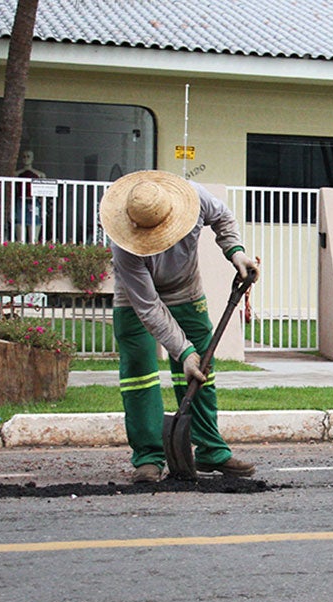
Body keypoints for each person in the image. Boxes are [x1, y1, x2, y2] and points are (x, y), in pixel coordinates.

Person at [99, 170, 261, 483]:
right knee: (139, 374)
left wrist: (236, 253)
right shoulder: (123, 247)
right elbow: (148, 307)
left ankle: (211, 450)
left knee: (202, 367)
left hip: (185, 289)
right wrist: (182, 350)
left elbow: (224, 218)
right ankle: (148, 457)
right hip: (134, 300)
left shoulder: (195, 197)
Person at [14, 149, 46, 241]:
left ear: (32, 159)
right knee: (20, 229)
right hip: (21, 201)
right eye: (24, 156)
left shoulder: (39, 175)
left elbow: (43, 193)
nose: (26, 159)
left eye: (28, 156)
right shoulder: (16, 174)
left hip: (34, 202)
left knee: (34, 232)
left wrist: (43, 209)